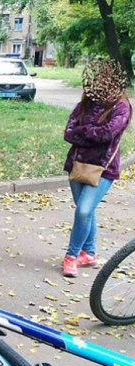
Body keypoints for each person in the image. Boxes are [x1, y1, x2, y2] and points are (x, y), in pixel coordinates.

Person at [61, 59, 132, 277]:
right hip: (77, 164)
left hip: (103, 168)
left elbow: (107, 134)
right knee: (86, 212)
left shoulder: (121, 106)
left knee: (83, 211)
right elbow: (68, 132)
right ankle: (89, 253)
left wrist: (84, 131)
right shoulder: (86, 104)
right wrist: (90, 132)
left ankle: (71, 256)